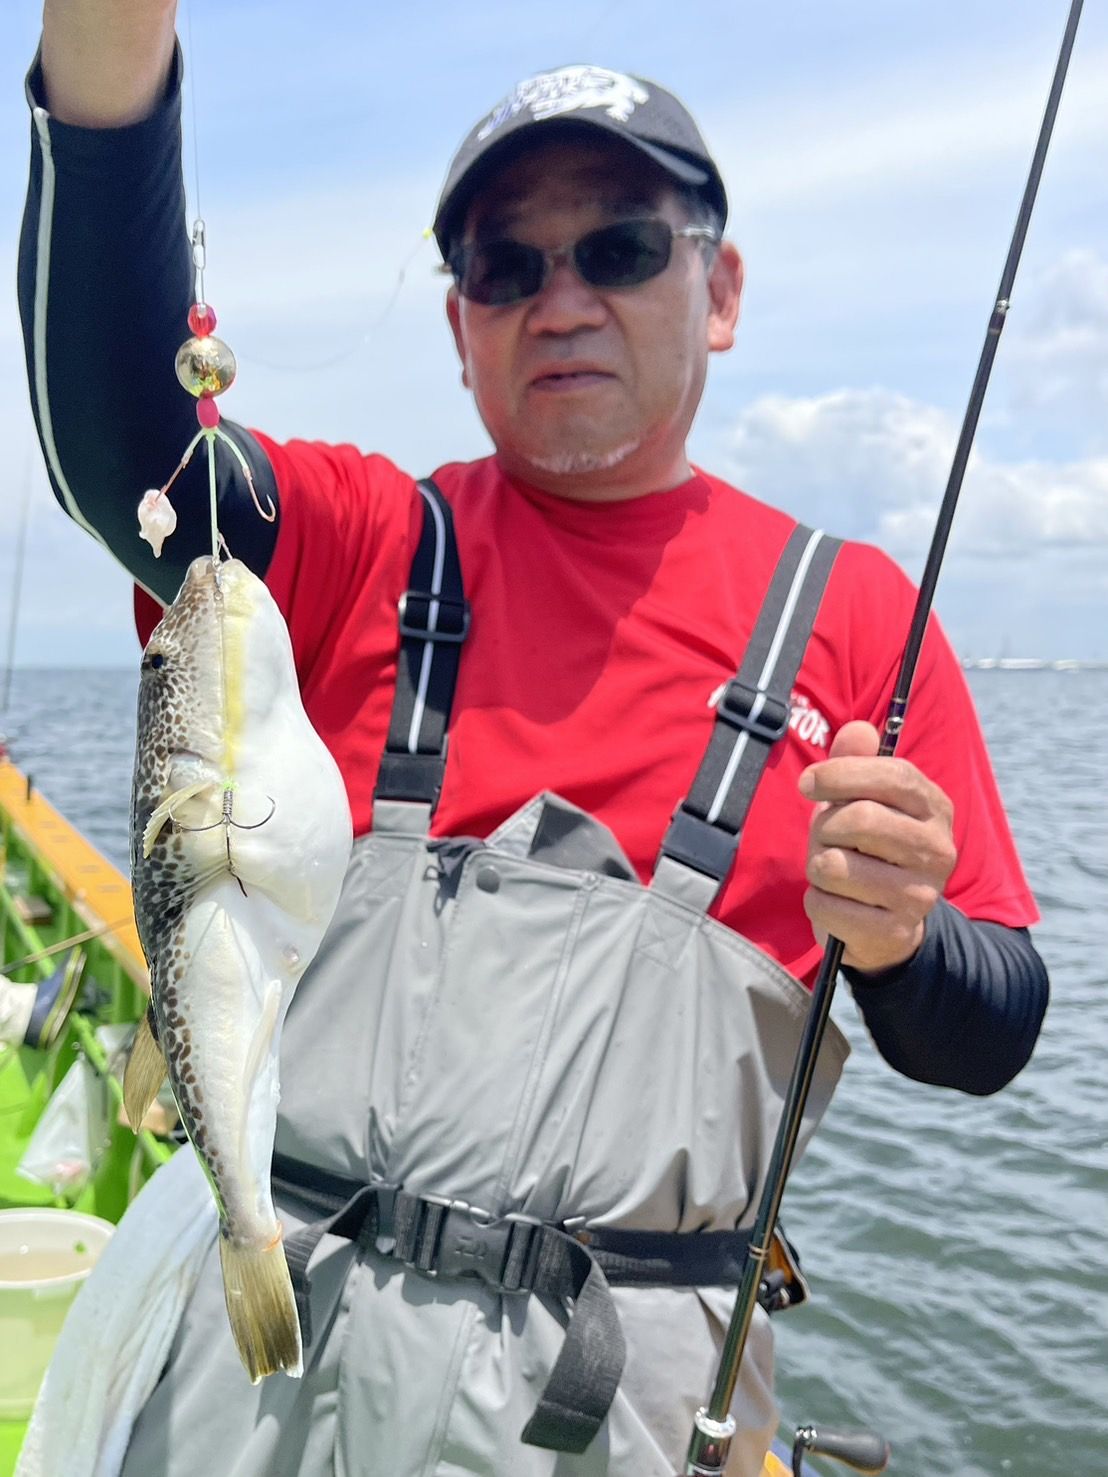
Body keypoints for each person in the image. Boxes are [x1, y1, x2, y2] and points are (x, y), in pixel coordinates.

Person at [18, 7, 1048, 1475]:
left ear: (721, 289)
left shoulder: (860, 618)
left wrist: (901, 938)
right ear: (460, 327)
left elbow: (992, 1024)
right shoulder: (368, 541)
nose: (560, 302)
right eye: (506, 266)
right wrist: (110, 48)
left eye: (619, 248)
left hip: (619, 1415)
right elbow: (128, 448)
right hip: (257, 1372)